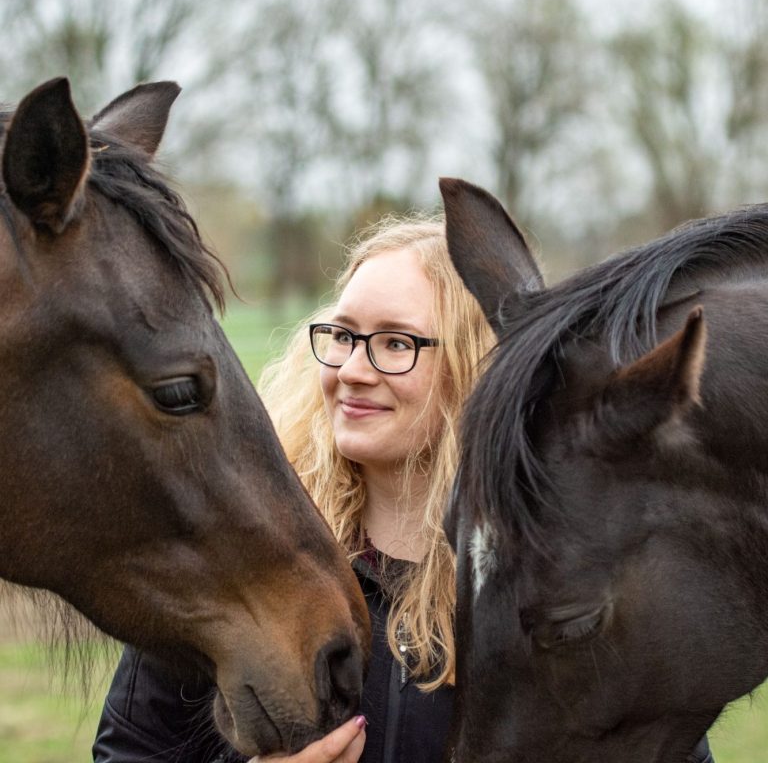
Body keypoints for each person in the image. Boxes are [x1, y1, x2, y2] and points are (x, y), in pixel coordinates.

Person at [92, 215, 715, 763]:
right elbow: (129, 752)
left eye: (396, 343)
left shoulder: (560, 590)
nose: (353, 371)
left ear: (475, 369)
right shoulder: (241, 552)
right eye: (343, 336)